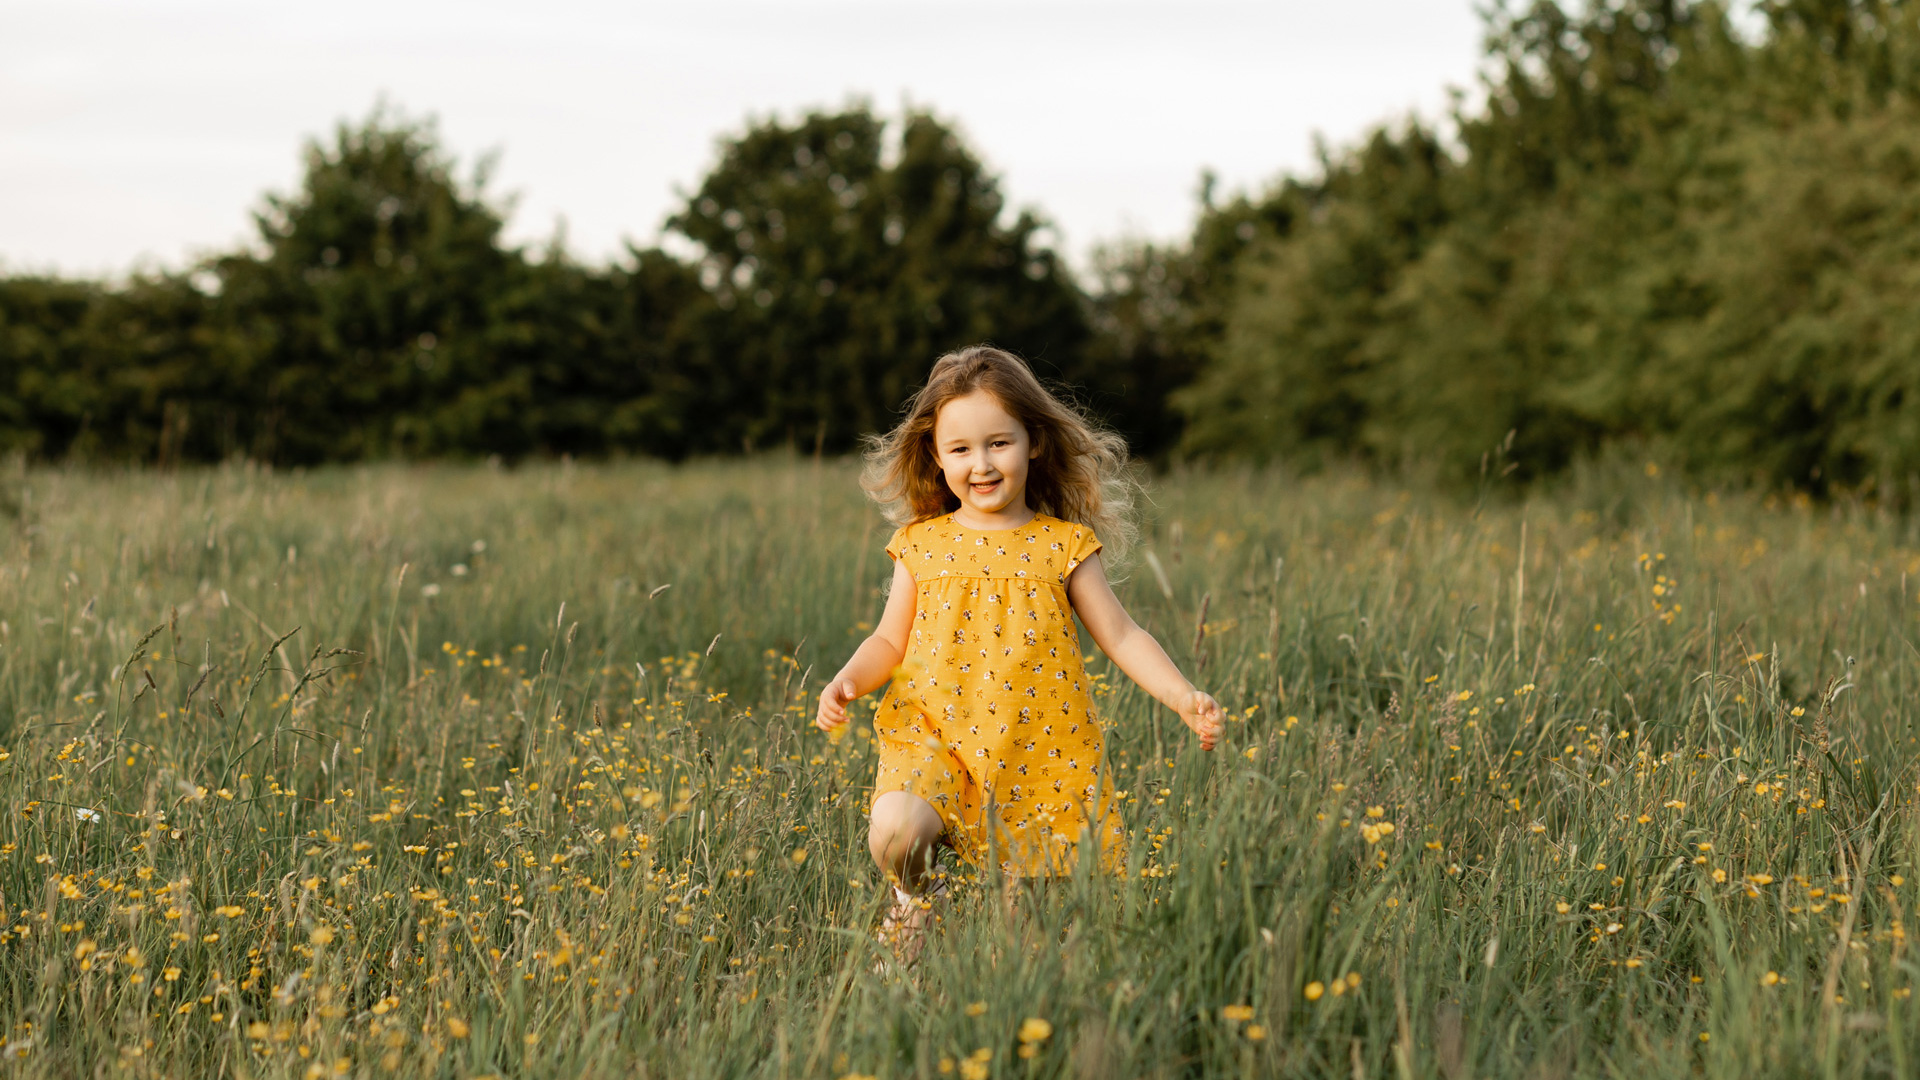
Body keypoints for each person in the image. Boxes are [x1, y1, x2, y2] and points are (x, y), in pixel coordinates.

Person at [814, 344, 1224, 960]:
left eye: (998, 443)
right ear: (935, 455)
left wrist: (1182, 696)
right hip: (934, 735)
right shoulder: (921, 545)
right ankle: (918, 903)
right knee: (897, 833)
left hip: (1037, 746)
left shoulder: (1064, 545)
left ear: (1033, 442)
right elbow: (888, 640)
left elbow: (1122, 635)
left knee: (1024, 954)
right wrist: (848, 679)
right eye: (960, 449)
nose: (980, 463)